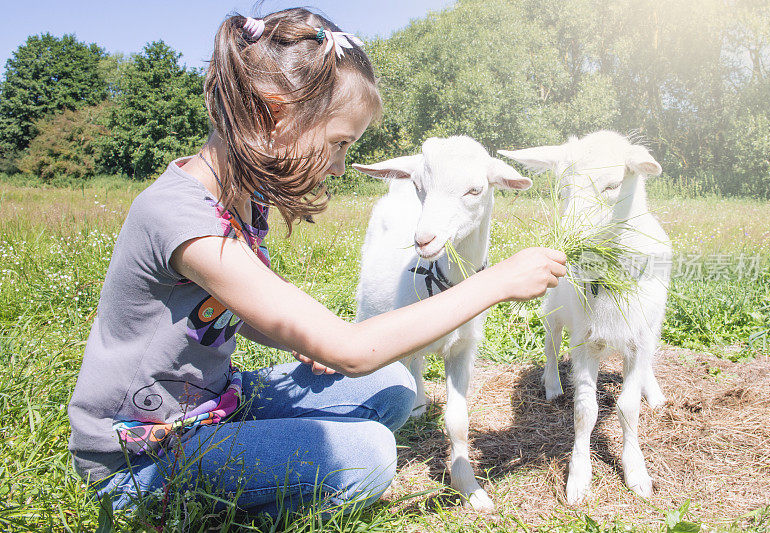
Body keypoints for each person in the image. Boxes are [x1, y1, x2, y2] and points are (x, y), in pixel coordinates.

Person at [67, 7, 567, 520]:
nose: (340, 165)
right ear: (274, 113)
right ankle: (185, 513)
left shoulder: (243, 198)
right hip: (140, 454)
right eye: (339, 143)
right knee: (368, 457)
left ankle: (256, 467)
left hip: (214, 403)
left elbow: (230, 306)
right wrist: (497, 282)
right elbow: (352, 352)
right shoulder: (180, 217)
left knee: (394, 386)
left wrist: (302, 338)